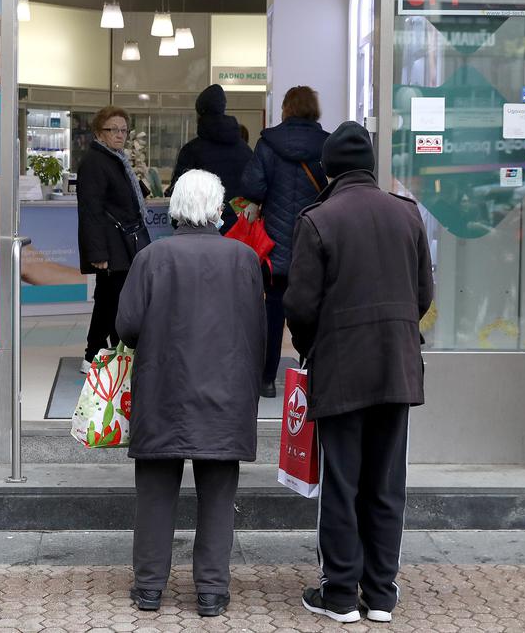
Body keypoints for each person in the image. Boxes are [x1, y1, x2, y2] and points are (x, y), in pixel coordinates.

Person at [284, 121, 434, 625]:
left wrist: (312, 348)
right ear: (369, 166)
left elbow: (300, 305)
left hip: (342, 368)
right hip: (397, 367)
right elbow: (424, 295)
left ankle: (341, 594)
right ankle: (382, 595)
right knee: (387, 482)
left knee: (342, 482)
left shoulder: (318, 219)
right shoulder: (407, 214)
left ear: (329, 169)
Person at [115, 170, 266, 619]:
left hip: (162, 391)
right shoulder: (243, 259)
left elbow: (127, 326)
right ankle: (212, 592)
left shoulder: (152, 257)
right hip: (226, 393)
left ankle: (149, 588)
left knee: (155, 493)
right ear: (218, 209)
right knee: (218, 495)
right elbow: (258, 332)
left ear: (176, 208)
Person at [239, 86, 329, 398]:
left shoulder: (268, 143)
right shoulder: (327, 144)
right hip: (313, 243)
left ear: (286, 108)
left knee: (273, 312)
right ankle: (311, 376)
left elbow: (252, 186)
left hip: (275, 245)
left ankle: (267, 379)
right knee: (312, 310)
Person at [77, 106, 151, 371]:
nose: (120, 134)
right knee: (111, 301)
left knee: (111, 300)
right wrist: (97, 253)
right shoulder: (95, 162)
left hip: (120, 243)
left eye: (123, 130)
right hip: (110, 246)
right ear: (99, 132)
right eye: (113, 130)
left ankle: (104, 353)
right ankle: (95, 354)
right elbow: (91, 211)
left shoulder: (116, 159)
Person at [166, 85, 254, 233]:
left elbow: (178, 195)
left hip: (202, 229)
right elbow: (252, 190)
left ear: (200, 114)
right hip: (239, 231)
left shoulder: (192, 151)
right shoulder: (245, 150)